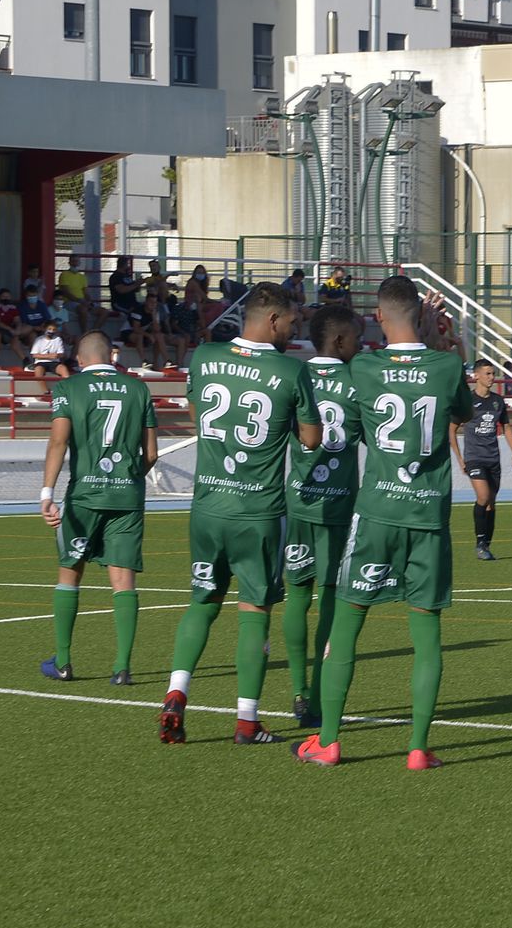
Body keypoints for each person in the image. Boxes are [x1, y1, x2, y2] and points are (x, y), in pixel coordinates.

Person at [294, 276, 475, 770]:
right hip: (427, 517)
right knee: (427, 633)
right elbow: (463, 410)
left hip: (376, 512)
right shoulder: (446, 365)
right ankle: (418, 748)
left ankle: (328, 742)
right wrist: (438, 345)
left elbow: (349, 429)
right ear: (421, 314)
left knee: (348, 624)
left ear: (378, 316)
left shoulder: (365, 366)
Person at [158, 282, 320, 747]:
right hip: (258, 510)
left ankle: (175, 693)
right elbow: (310, 439)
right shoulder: (292, 371)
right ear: (271, 319)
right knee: (254, 612)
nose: (295, 328)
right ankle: (247, 721)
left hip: (208, 505)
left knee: (202, 602)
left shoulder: (205, 358)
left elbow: (197, 414)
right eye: (291, 320)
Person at [38, 330, 158, 685]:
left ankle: (63, 660)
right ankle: (122, 667)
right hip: (126, 496)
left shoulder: (67, 389)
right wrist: (130, 476)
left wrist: (46, 492)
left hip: (84, 495)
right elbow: (150, 453)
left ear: (80, 358)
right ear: (112, 356)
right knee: (123, 581)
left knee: (70, 572)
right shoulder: (138, 388)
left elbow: (59, 441)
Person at [281, 304, 363, 728]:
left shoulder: (296, 374)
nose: (361, 344)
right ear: (338, 340)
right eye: (356, 337)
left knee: (297, 594)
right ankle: (315, 698)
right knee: (330, 597)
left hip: (298, 501)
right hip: (337, 507)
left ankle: (297, 690)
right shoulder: (355, 381)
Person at [450, 358, 512, 560]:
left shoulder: (497, 401)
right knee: (483, 496)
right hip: (474, 458)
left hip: (493, 459)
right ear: (477, 376)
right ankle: (480, 543)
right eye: (488, 374)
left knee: (491, 502)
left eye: (493, 373)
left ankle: (486, 545)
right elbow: (452, 430)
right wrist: (460, 458)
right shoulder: (467, 401)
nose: (492, 377)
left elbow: (506, 427)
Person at [125, 292, 168, 369]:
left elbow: (157, 329)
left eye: (155, 302)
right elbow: (136, 328)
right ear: (146, 302)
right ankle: (144, 361)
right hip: (128, 332)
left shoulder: (155, 312)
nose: (153, 304)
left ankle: (166, 361)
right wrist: (149, 335)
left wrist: (154, 317)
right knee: (139, 336)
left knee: (159, 335)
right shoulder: (138, 310)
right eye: (151, 302)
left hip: (144, 333)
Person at [106, 255, 141, 329]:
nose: (128, 266)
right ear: (124, 264)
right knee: (133, 312)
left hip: (132, 302)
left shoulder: (127, 276)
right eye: (128, 264)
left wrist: (139, 283)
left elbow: (136, 290)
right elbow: (121, 290)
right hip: (120, 304)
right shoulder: (115, 277)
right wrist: (135, 285)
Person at [0, 288, 23, 364]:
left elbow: (17, 320)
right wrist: (9, 329)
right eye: (3, 296)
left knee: (16, 338)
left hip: (10, 331)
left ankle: (25, 360)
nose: (6, 298)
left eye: (7, 296)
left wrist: (18, 328)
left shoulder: (13, 308)